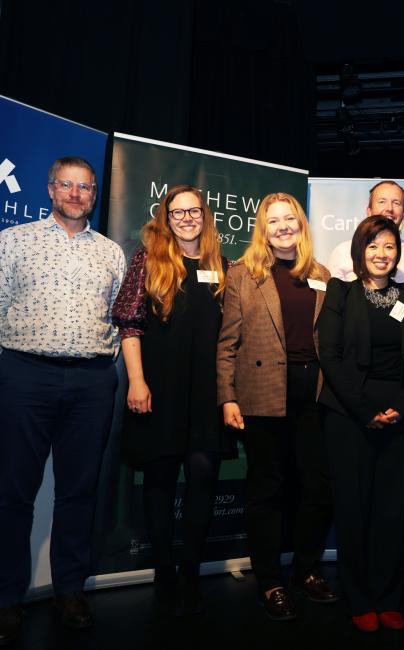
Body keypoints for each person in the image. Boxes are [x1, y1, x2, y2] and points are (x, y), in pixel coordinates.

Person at [0, 156, 125, 642]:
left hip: (93, 379)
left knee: (79, 490)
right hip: (24, 374)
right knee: (13, 490)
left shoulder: (111, 253)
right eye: (66, 186)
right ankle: (7, 596)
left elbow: (118, 318)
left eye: (85, 187)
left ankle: (69, 590)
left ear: (94, 194)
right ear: (50, 189)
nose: (75, 194)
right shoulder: (14, 241)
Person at [112, 184, 235, 616]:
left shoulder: (224, 265)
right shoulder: (148, 261)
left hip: (207, 394)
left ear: (205, 215)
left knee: (202, 482)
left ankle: (190, 573)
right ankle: (164, 571)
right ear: (166, 218)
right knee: (161, 483)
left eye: (194, 210)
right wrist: (137, 382)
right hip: (157, 389)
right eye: (177, 212)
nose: (186, 218)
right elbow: (129, 325)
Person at [217, 192, 337, 622]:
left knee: (317, 490)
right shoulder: (243, 274)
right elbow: (227, 342)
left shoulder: (319, 273)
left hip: (314, 399)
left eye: (290, 219)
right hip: (263, 396)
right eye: (274, 221)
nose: (283, 226)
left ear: (301, 224)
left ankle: (306, 571)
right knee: (265, 490)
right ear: (262, 229)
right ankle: (269, 581)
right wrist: (227, 395)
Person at [317, 215, 404, 632]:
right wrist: (365, 410)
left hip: (400, 415)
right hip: (349, 415)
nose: (382, 254)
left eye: (389, 246)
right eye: (373, 246)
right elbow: (329, 355)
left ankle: (387, 596)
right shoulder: (341, 292)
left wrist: (402, 405)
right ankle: (360, 597)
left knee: (390, 509)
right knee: (353, 508)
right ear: (359, 251)